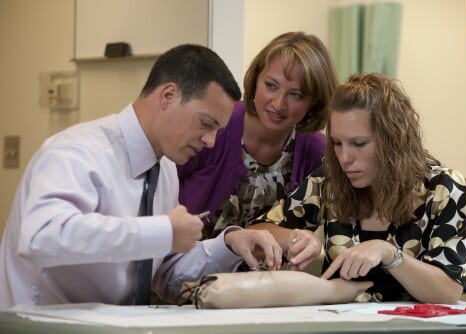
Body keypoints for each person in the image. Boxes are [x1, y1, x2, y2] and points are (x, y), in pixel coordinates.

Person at [0, 44, 283, 309]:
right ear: (168, 96)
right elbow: (41, 237)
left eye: (217, 131)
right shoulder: (78, 152)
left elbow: (161, 272)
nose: (210, 141)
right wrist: (162, 231)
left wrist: (228, 244)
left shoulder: (166, 169)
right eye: (206, 124)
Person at [251, 73, 466, 304]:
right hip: (339, 325)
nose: (344, 158)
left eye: (359, 144)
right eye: (337, 143)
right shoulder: (328, 180)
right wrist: (293, 238)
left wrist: (388, 253)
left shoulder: (443, 187)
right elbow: (256, 232)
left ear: (393, 140)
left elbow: (448, 291)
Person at [177, 32, 338, 241]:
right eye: (271, 85)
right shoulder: (216, 125)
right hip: (188, 267)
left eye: (295, 94)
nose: (278, 104)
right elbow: (155, 185)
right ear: (255, 80)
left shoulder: (316, 151)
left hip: (266, 273)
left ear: (314, 102)